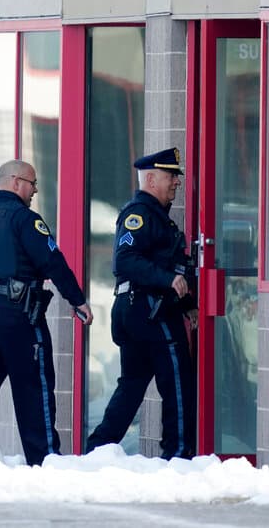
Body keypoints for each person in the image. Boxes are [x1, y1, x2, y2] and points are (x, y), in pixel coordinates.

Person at [0, 159, 93, 466]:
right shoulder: (23, 219)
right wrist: (77, 300)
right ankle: (45, 461)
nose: (35, 190)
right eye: (32, 183)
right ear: (15, 182)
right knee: (33, 386)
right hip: (16, 310)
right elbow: (52, 260)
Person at [86, 147, 197, 460]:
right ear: (151, 179)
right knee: (177, 382)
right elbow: (126, 261)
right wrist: (166, 281)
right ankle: (177, 455)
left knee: (131, 387)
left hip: (142, 309)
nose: (176, 182)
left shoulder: (158, 218)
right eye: (170, 176)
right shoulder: (140, 215)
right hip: (150, 310)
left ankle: (97, 450)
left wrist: (187, 302)